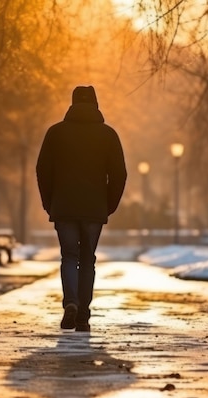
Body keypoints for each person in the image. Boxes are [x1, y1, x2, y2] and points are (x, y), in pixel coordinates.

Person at [36, 85, 127, 332]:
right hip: (94, 209)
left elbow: (43, 171)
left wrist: (49, 203)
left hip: (64, 207)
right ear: (95, 105)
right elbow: (119, 174)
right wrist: (108, 206)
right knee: (88, 260)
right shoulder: (108, 135)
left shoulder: (55, 133)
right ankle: (83, 315)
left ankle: (71, 302)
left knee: (68, 256)